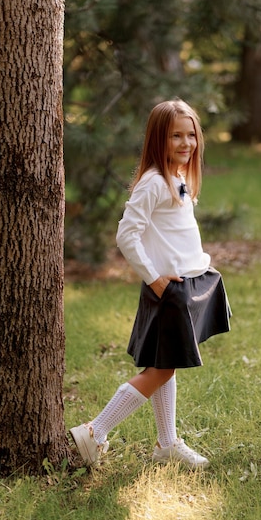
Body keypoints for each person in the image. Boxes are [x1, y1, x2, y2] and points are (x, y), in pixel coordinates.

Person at [70, 99, 231, 469]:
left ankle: (166, 444)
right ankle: (94, 431)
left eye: (191, 135)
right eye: (176, 135)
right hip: (167, 291)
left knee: (166, 364)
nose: (185, 143)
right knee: (158, 370)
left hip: (184, 286)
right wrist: (155, 279)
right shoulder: (154, 182)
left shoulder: (177, 179)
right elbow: (127, 234)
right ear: (159, 138)